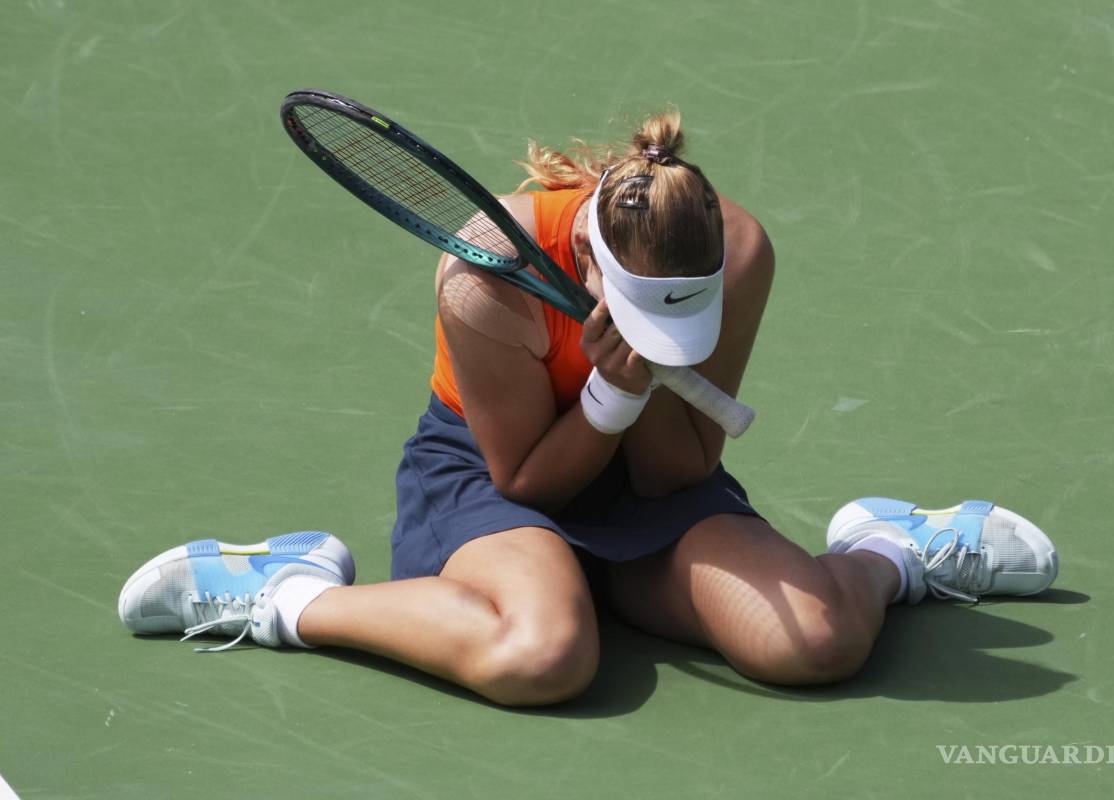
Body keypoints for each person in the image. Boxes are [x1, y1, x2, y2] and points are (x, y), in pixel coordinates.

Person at [118, 110, 1059, 706]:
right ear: (583, 268)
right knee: (542, 654)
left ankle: (887, 551)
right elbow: (525, 477)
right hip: (499, 477)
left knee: (814, 644)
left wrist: (639, 387)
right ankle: (287, 591)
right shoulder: (485, 273)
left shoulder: (738, 251)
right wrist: (615, 390)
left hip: (650, 472)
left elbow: (679, 471)